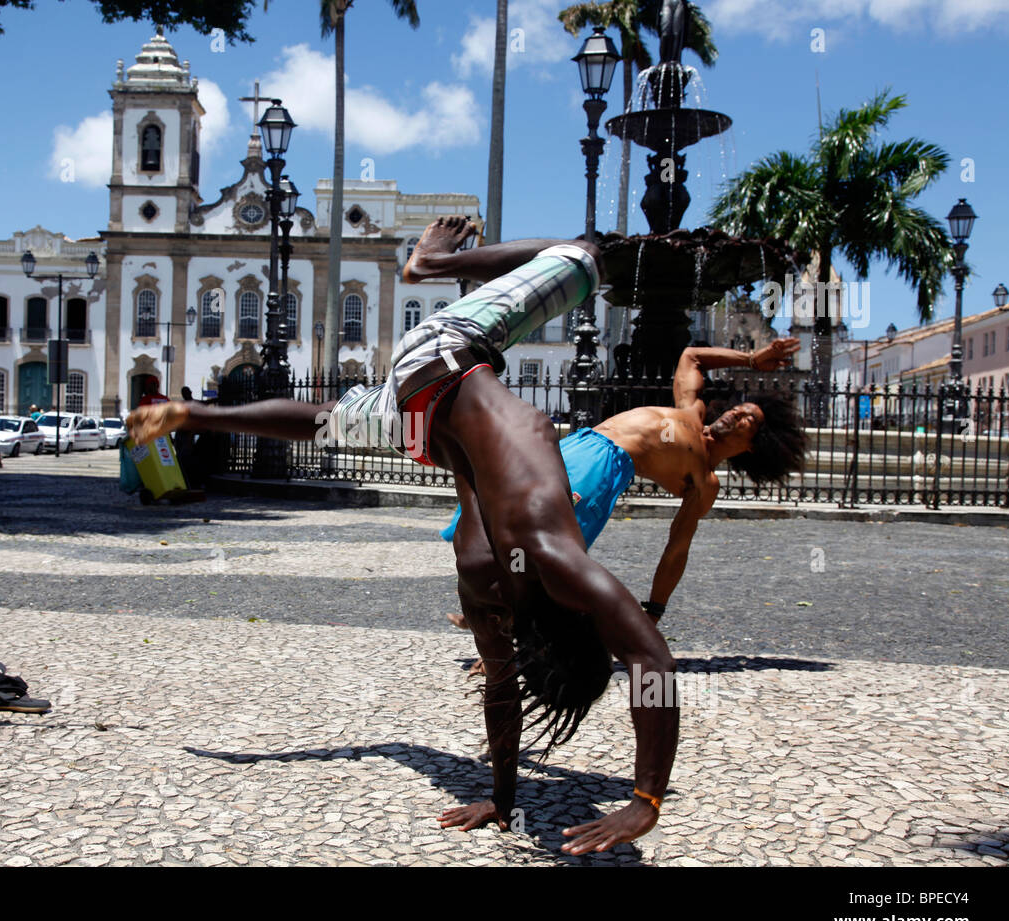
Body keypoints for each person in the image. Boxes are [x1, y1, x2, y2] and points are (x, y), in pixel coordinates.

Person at [128, 217, 679, 853]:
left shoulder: (552, 552)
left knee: (585, 256)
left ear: (579, 629)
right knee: (330, 422)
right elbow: (503, 687)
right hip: (420, 419)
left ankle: (428, 266)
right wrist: (521, 799)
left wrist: (643, 799)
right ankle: (202, 409)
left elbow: (651, 662)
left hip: (443, 361)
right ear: (541, 652)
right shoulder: (487, 586)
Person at [443, 336, 805, 639]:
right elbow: (690, 357)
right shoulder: (691, 410)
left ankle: (508, 627)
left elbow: (676, 548)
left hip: (602, 467)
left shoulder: (703, 480)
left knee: (539, 536)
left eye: (748, 419)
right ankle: (490, 608)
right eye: (740, 408)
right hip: (578, 443)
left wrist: (654, 611)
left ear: (755, 445)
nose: (736, 414)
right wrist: (753, 359)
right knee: (499, 505)